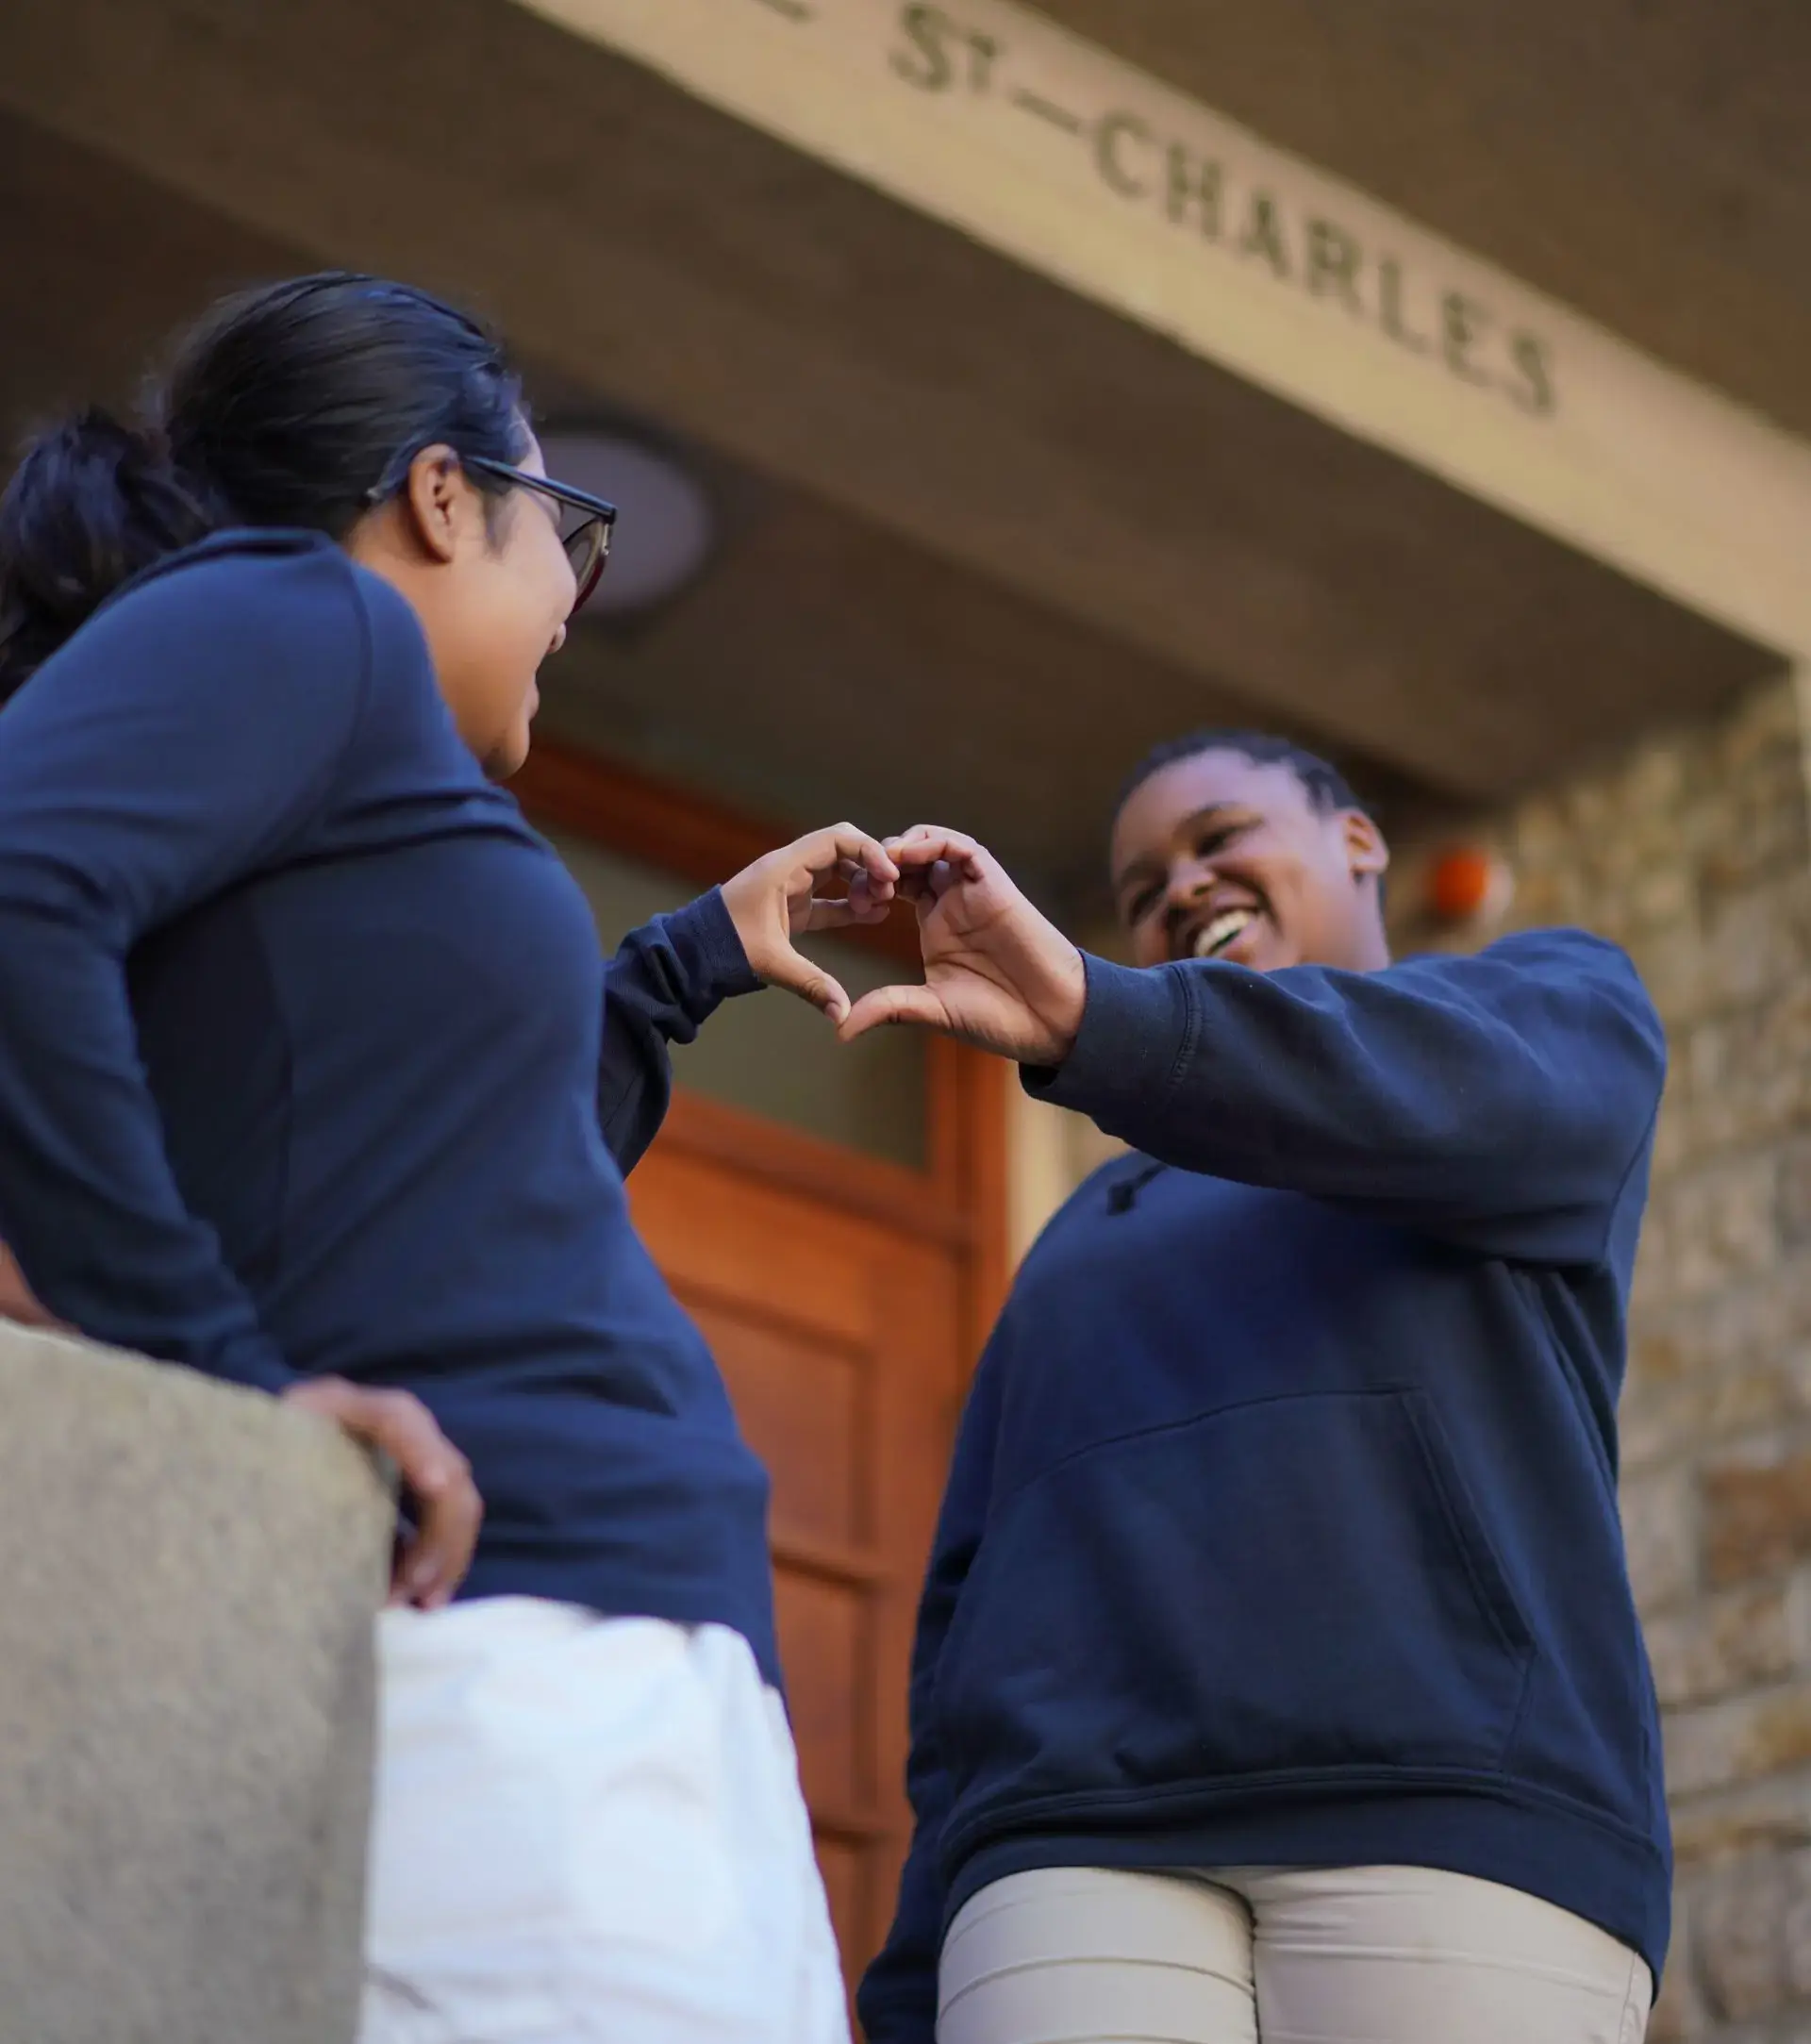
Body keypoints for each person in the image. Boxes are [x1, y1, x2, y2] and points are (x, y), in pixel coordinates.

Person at [0, 273, 889, 2044]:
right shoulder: (300, 615)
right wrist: (223, 1380)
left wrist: (686, 963)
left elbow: (452, 1160)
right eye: (570, 531)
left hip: (618, 1665)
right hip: (502, 1656)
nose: (571, 601)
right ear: (439, 497)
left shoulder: (323, 739)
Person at [850, 732, 1666, 2044]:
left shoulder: (1546, 1005)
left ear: (1358, 842)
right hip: (1075, 1846)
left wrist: (1094, 1014)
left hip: (1448, 1812)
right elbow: (973, 1602)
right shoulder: (1078, 1230)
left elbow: (1464, 1095)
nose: (1179, 885)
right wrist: (911, 1980)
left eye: (1218, 837)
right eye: (1139, 887)